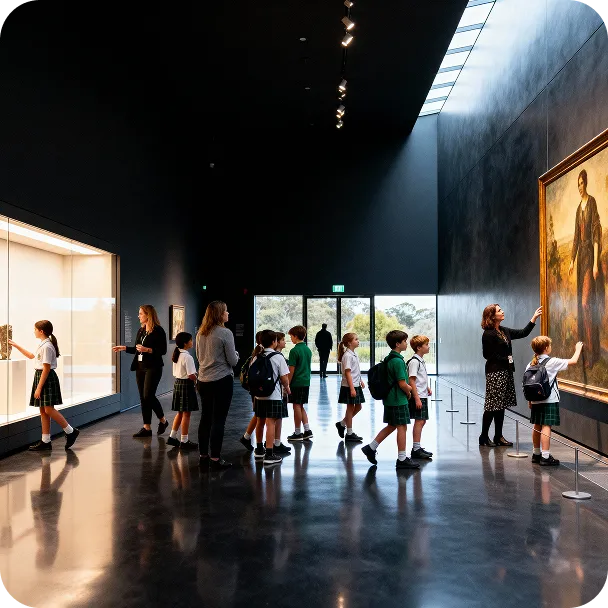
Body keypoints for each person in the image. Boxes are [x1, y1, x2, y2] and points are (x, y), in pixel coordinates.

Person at [9, 320, 80, 451]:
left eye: (35, 329)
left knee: (48, 409)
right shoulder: (43, 344)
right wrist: (16, 345)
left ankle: (70, 431)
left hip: (45, 378)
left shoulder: (47, 346)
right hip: (42, 376)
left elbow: (46, 368)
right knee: (43, 410)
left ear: (41, 331)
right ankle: (45, 441)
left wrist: (39, 387)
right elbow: (31, 356)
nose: (34, 331)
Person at [480, 304, 542, 447]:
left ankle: (498, 436)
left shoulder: (503, 330)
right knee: (492, 405)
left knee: (501, 405)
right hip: (495, 372)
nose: (502, 311)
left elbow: (523, 333)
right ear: (492, 316)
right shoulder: (488, 334)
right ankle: (483, 436)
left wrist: (533, 318)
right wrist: (505, 358)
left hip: (506, 371)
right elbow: (487, 355)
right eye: (499, 310)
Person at [361, 330, 419, 470]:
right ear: (398, 344)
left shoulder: (389, 358)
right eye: (404, 341)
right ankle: (402, 458)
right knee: (402, 427)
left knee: (392, 425)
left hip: (390, 399)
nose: (406, 343)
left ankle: (371, 447)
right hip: (398, 399)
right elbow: (402, 383)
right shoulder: (398, 361)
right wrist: (410, 391)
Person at [113, 305, 169, 438]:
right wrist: (124, 348)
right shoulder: (141, 330)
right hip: (140, 366)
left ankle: (163, 420)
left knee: (148, 395)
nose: (138, 316)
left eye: (141, 314)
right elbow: (137, 349)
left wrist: (148, 350)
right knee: (143, 397)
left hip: (153, 367)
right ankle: (146, 427)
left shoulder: (158, 330)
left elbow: (163, 350)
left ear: (148, 315)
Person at [526, 337, 583, 466]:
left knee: (537, 425)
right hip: (549, 399)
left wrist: (530, 400)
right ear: (546, 348)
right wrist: (578, 349)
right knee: (546, 426)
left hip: (535, 400)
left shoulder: (530, 364)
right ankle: (545, 457)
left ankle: (536, 454)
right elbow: (573, 361)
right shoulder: (552, 362)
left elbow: (528, 384)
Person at [196, 300, 239, 469]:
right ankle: (215, 458)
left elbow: (199, 357)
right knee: (219, 420)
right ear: (220, 314)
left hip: (203, 380)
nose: (228, 313)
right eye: (226, 311)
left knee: (205, 418)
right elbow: (233, 361)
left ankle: (203, 456)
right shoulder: (225, 333)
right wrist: (236, 354)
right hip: (222, 380)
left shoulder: (200, 333)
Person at [568, 169, 603, 369]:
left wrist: (596, 262)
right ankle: (588, 351)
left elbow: (596, 233)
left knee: (586, 304)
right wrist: (572, 261)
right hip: (581, 260)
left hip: (590, 257)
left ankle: (592, 351)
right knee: (583, 306)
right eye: (578, 184)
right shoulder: (577, 210)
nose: (580, 187)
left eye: (582, 183)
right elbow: (575, 238)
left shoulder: (592, 202)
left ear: (586, 183)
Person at [252, 330, 291, 465]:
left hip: (259, 395)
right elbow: (284, 378)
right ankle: (269, 454)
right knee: (271, 423)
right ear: (274, 342)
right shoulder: (278, 357)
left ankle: (259, 450)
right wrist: (288, 389)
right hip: (273, 395)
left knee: (260, 422)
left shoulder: (257, 356)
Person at [167, 332, 199, 451]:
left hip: (178, 384)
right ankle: (184, 441)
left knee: (180, 413)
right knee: (186, 414)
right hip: (186, 385)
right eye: (191, 340)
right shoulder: (187, 357)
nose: (192, 341)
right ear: (185, 343)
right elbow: (191, 375)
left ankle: (172, 437)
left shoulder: (177, 354)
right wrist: (198, 378)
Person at [335, 332, 365, 442]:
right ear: (349, 343)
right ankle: (349, 432)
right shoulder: (347, 356)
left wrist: (360, 380)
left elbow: (355, 371)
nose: (358, 341)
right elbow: (348, 373)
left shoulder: (353, 354)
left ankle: (342, 423)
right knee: (350, 408)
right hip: (349, 386)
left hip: (355, 384)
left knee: (358, 407)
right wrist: (352, 388)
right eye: (356, 339)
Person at [407, 335, 433, 460]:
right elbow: (411, 380)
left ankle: (417, 447)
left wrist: (426, 387)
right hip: (418, 396)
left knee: (422, 420)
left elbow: (419, 378)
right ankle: (416, 449)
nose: (428, 347)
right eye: (426, 345)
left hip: (422, 394)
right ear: (418, 347)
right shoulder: (414, 362)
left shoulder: (420, 360)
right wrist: (416, 398)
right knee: (419, 420)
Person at [286, 325, 313, 442]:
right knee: (301, 405)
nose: (290, 339)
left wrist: (287, 384)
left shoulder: (294, 351)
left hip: (296, 382)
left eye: (291, 336)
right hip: (306, 382)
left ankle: (297, 432)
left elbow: (291, 370)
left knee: (296, 406)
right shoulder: (307, 350)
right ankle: (307, 430)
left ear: (296, 336)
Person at [239, 331, 263, 452]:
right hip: (258, 389)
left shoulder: (256, 353)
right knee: (260, 415)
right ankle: (256, 442)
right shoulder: (260, 355)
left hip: (254, 389)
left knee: (259, 414)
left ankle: (247, 437)